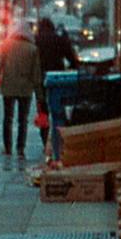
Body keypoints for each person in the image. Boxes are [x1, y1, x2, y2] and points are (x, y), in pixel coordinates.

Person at [0, 20, 43, 162]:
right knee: (23, 120)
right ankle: (20, 148)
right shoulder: (32, 49)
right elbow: (36, 74)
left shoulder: (6, 46)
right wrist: (39, 94)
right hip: (25, 89)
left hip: (8, 87)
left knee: (8, 118)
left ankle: (7, 147)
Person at [35, 14, 81, 167]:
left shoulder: (36, 40)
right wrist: (75, 69)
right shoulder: (59, 39)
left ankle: (45, 141)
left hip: (40, 79)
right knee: (58, 114)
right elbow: (71, 58)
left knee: (43, 111)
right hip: (58, 80)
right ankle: (56, 145)